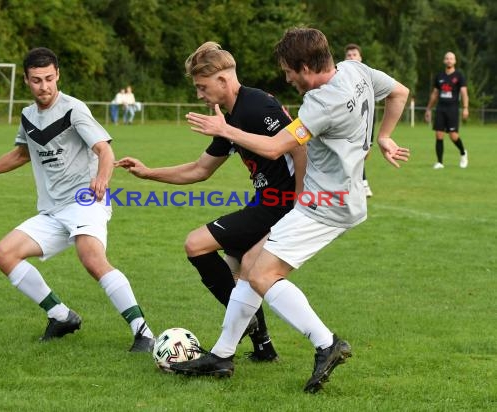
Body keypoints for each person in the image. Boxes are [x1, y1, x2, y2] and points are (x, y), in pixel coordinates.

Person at [170, 28, 410, 393]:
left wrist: (226, 130)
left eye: (288, 71)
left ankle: (326, 343)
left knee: (262, 274)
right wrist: (385, 136)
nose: (287, 79)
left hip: (324, 203)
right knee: (250, 264)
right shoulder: (355, 70)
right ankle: (222, 355)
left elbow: (274, 147)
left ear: (303, 66)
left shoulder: (320, 102)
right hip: (345, 197)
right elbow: (399, 91)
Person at [0, 47, 155, 352]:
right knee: (4, 254)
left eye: (49, 78)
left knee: (91, 258)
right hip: (53, 209)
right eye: (36, 80)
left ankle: (144, 332)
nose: (44, 86)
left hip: (85, 200)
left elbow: (104, 149)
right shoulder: (28, 115)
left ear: (57, 75)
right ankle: (61, 316)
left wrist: (102, 178)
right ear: (26, 80)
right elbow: (20, 154)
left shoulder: (74, 109)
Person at [116, 41, 307, 362]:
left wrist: (300, 204)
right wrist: (148, 173)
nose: (199, 95)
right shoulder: (229, 118)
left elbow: (299, 147)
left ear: (223, 80)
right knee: (236, 276)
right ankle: (262, 348)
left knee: (197, 244)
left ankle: (239, 345)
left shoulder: (256, 105)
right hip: (264, 203)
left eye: (202, 87)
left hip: (280, 204)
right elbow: (200, 169)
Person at [425, 51, 469, 169]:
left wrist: (465, 108)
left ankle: (463, 153)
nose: (449, 60)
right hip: (440, 109)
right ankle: (440, 162)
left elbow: (464, 93)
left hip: (453, 109)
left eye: (451, 58)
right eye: (447, 58)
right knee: (439, 135)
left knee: (453, 135)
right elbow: (434, 94)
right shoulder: (439, 76)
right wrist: (428, 109)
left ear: (454, 61)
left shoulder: (459, 76)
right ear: (444, 61)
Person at [345, 43, 374, 197]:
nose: (351, 58)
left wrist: (371, 140)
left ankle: (362, 184)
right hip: (345, 127)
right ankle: (362, 185)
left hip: (362, 127)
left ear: (360, 58)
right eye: (348, 55)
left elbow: (371, 110)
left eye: (354, 55)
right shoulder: (340, 79)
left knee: (359, 155)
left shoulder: (368, 78)